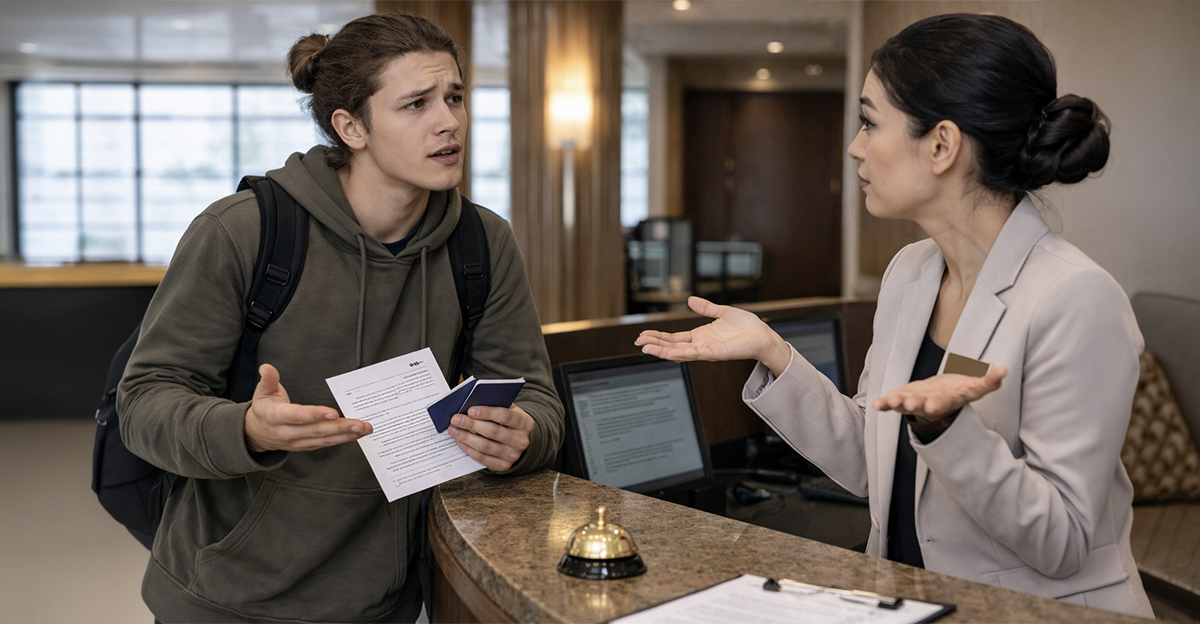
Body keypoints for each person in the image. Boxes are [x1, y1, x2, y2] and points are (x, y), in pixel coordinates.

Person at [636, 13, 1152, 618]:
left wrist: (948, 432)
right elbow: (868, 463)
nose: (855, 146)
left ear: (941, 145)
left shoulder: (1076, 297)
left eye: (869, 121)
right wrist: (771, 351)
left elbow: (1062, 541)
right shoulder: (911, 273)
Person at [117, 12, 563, 623]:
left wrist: (523, 435)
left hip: (386, 601)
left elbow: (537, 399)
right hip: (229, 597)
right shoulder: (242, 230)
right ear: (350, 126)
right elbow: (143, 403)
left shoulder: (482, 242)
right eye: (416, 104)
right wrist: (247, 428)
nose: (449, 121)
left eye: (454, 96)